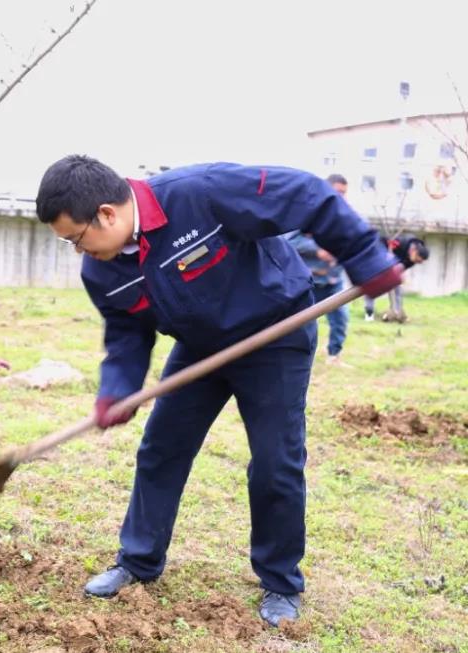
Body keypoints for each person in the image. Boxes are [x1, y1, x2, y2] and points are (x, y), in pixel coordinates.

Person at [35, 157, 401, 627]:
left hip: (275, 333)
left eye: (76, 239)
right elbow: (127, 334)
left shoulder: (200, 193)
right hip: (201, 348)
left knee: (275, 461)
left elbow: (308, 195)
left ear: (106, 214)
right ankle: (138, 561)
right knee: (161, 449)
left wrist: (367, 259)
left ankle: (280, 582)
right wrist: (118, 391)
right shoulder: (102, 271)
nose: (79, 252)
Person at [284, 174, 351, 363]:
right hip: (308, 282)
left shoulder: (343, 216)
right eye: (338, 192)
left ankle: (334, 356)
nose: (342, 197)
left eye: (344, 193)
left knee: (341, 319)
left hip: (333, 281)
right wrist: (318, 251)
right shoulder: (306, 212)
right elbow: (289, 242)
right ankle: (294, 358)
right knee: (299, 324)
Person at [364, 234, 430, 323]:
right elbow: (380, 242)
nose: (416, 262)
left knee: (398, 288)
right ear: (414, 251)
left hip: (394, 265)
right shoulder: (401, 242)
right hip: (379, 260)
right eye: (417, 260)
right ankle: (369, 313)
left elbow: (403, 267)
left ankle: (397, 313)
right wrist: (387, 254)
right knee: (372, 286)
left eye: (419, 262)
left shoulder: (413, 260)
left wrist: (398, 274)